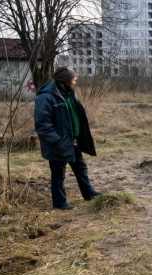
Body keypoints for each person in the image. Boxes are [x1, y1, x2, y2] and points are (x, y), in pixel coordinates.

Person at [34, 67, 101, 210]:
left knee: (81, 168)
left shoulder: (69, 93)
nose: (75, 81)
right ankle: (60, 204)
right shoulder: (45, 97)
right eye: (73, 79)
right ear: (65, 81)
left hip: (73, 141)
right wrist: (57, 141)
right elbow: (42, 124)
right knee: (58, 174)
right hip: (58, 144)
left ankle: (89, 194)